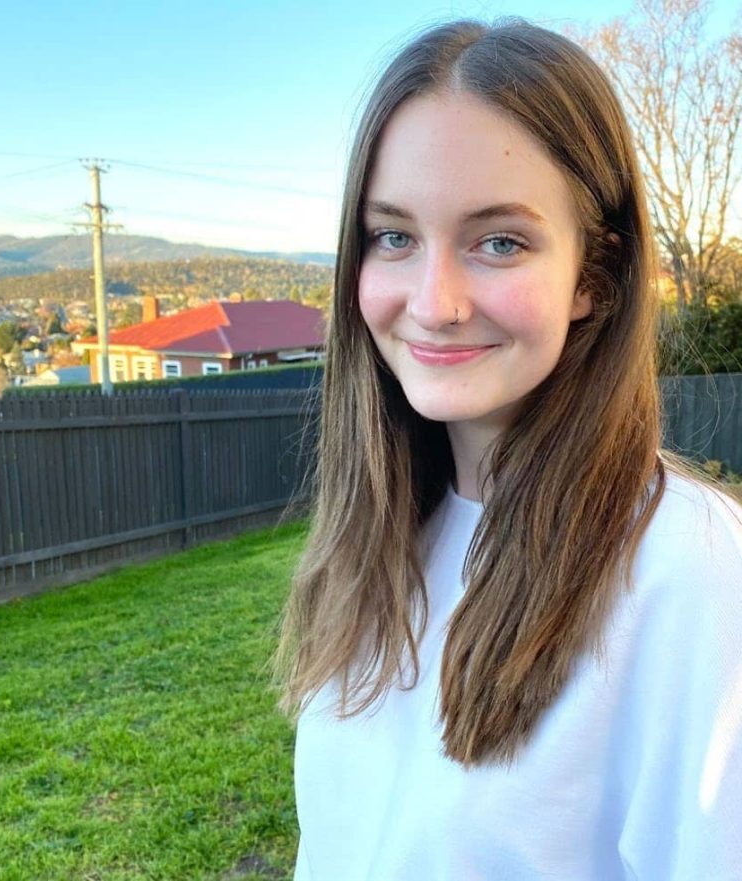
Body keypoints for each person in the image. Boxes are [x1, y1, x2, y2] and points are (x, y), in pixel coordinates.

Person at [274, 18, 742, 881]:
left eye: (500, 242)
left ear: (593, 280)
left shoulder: (694, 576)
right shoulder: (377, 541)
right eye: (394, 236)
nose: (435, 301)